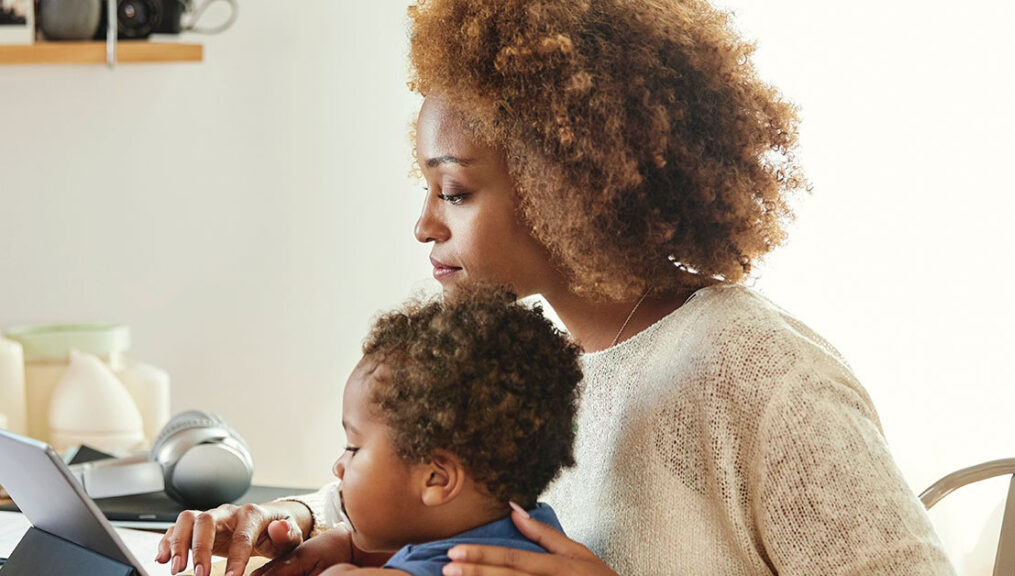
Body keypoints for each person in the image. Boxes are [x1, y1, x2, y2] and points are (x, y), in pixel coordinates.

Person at [159, 0, 957, 574]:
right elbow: (431, 492)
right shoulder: (534, 361)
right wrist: (287, 522)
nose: (425, 227)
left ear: (570, 183)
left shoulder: (757, 374)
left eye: (456, 192)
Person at [156, 286, 583, 576]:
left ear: (436, 479)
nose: (338, 467)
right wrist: (345, 546)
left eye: (354, 447)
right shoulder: (535, 532)